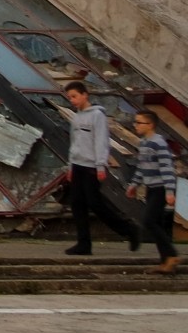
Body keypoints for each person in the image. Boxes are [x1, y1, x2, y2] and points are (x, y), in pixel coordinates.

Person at [63, 81, 139, 255]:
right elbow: (74, 143)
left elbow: (101, 142)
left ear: (85, 95)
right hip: (77, 165)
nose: (72, 100)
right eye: (70, 98)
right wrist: (70, 165)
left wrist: (100, 165)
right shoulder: (76, 117)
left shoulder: (97, 115)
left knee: (95, 203)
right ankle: (84, 243)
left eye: (74, 96)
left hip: (91, 166)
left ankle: (128, 229)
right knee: (77, 204)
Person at [129, 109, 180, 273]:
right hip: (150, 187)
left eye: (139, 122)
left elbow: (167, 168)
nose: (135, 125)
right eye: (135, 122)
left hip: (161, 188)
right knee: (155, 223)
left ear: (150, 125)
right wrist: (134, 184)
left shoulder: (159, 143)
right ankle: (165, 261)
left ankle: (171, 255)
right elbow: (141, 167)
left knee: (149, 221)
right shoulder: (143, 143)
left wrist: (170, 191)